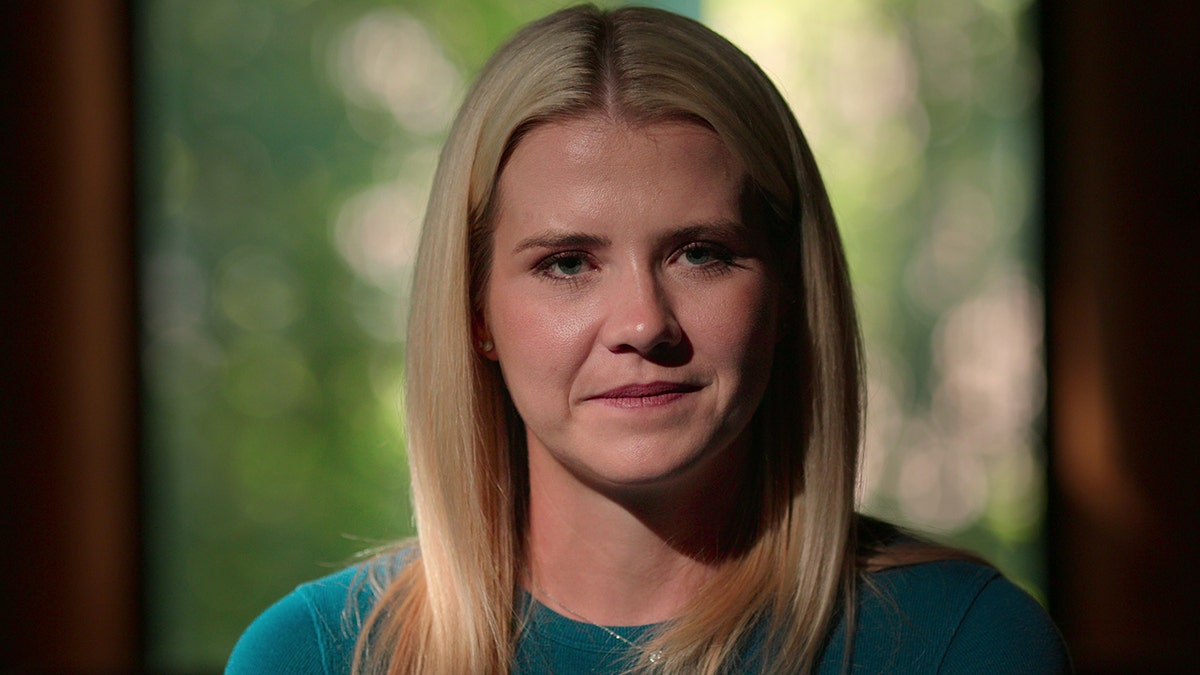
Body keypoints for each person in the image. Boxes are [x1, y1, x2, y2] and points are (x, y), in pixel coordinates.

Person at [226, 5, 1070, 674]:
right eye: (566, 263)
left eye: (701, 253)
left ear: (786, 292)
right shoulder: (312, 657)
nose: (643, 323)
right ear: (475, 313)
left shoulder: (967, 644)